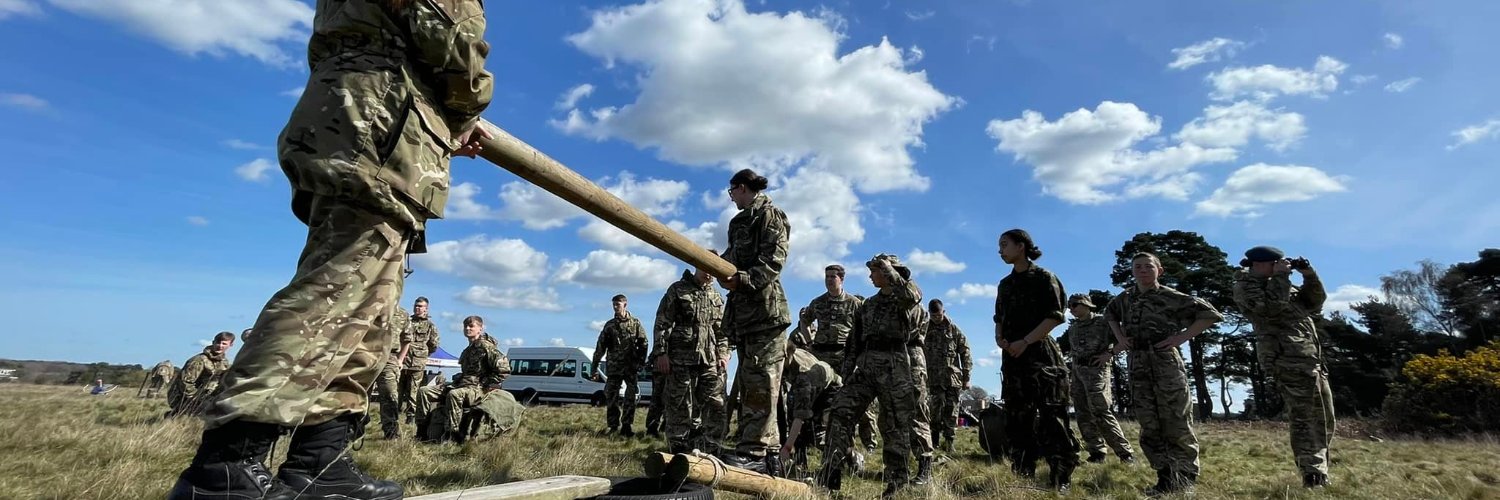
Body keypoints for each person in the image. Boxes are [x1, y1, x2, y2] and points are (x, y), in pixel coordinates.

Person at [168, 0, 494, 495]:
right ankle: (228, 465)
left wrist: (447, 120)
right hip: (380, 124)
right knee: (337, 289)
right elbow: (455, 41)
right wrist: (466, 109)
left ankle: (319, 463)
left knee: (368, 312)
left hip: (367, 116)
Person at [1106, 252, 1223, 496]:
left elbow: (1210, 315)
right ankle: (1165, 476)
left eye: (1148, 266)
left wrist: (1180, 337)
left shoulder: (1171, 296)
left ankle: (1185, 478)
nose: (1142, 271)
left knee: (1176, 420)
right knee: (1149, 423)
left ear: (1160, 270)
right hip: (1137, 362)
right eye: (1137, 267)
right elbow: (1110, 314)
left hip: (1165, 361)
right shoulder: (1126, 298)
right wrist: (1119, 338)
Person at [819, 254, 927, 497]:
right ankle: (831, 473)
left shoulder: (905, 299)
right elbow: (854, 341)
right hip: (866, 367)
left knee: (894, 425)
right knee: (840, 411)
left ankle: (896, 483)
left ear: (888, 272)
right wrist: (846, 374)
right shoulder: (867, 304)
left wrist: (889, 269)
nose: (870, 276)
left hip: (895, 367)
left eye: (875, 271)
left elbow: (913, 296)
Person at [1233, 246, 1335, 488]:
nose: (1283, 266)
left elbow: (1315, 302)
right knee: (1304, 418)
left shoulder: (1282, 284)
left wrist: (1309, 275)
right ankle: (1313, 475)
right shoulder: (1246, 286)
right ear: (1258, 264)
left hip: (1310, 359)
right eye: (1276, 263)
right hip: (1286, 359)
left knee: (1325, 418)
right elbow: (1270, 310)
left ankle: (1320, 469)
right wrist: (1281, 277)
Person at [717, 168, 792, 475]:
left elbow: (774, 260)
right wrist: (717, 266)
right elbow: (731, 257)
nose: (731, 196)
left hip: (765, 313)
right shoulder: (738, 222)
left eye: (732, 191)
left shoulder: (770, 215)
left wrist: (742, 280)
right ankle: (770, 455)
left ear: (743, 187)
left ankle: (754, 451)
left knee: (761, 384)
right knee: (752, 383)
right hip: (745, 317)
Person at [994, 229, 1079, 492]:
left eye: (1004, 244)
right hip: (1013, 359)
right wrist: (1001, 339)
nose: (1000, 250)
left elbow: (1055, 316)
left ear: (1021, 246)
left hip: (1041, 357)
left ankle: (1060, 478)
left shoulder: (1044, 277)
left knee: (1053, 417)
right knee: (1018, 418)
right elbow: (999, 318)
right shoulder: (1005, 284)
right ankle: (1022, 476)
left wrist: (1026, 341)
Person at [792, 265, 879, 451]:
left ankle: (868, 444)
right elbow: (804, 321)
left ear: (841, 279)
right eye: (827, 276)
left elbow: (864, 330)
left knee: (854, 401)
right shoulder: (818, 302)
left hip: (845, 356)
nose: (829, 279)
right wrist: (808, 343)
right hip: (821, 356)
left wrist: (859, 356)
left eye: (833, 276)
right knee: (819, 401)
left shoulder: (854, 303)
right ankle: (820, 442)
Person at [653, 266, 730, 453]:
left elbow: (722, 331)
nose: (709, 272)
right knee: (679, 403)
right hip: (681, 357)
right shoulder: (678, 289)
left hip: (709, 358)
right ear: (696, 267)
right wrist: (661, 353)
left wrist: (724, 353)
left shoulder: (717, 297)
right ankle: (678, 449)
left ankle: (710, 446)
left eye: (713, 268)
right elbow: (663, 322)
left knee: (715, 402)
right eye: (705, 267)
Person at [415, 315, 512, 444]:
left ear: (480, 329)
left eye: (471, 326)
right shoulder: (467, 350)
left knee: (454, 395)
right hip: (462, 385)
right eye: (465, 326)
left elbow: (504, 369)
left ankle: (452, 435)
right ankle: (422, 431)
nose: (467, 328)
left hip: (477, 389)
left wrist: (486, 384)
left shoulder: (486, 347)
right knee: (424, 391)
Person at [1062, 294, 1135, 464]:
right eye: (1069, 306)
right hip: (1078, 373)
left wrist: (1109, 354)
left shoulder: (1103, 323)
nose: (1071, 309)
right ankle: (1096, 451)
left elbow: (1125, 338)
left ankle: (1125, 453)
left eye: (1075, 305)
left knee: (1101, 412)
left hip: (1097, 372)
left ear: (1087, 305)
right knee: (1082, 413)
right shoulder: (1073, 328)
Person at [778, 345, 841, 478]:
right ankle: (800, 462)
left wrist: (786, 448)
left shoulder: (803, 377)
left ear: (786, 357)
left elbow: (800, 417)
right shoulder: (791, 356)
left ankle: (848, 456)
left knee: (817, 434)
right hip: (818, 386)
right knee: (795, 415)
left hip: (830, 391)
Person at [592, 294, 649, 437]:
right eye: (614, 305)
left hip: (630, 367)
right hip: (614, 368)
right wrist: (594, 366)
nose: (615, 307)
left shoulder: (635, 323)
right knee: (611, 397)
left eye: (618, 304)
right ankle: (613, 426)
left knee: (630, 398)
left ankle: (627, 426)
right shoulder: (610, 325)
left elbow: (644, 343)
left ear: (625, 305)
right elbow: (600, 347)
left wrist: (640, 362)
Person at [924, 299, 972, 453]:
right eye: (934, 316)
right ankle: (935, 441)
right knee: (934, 411)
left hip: (952, 379)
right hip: (932, 379)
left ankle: (950, 444)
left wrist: (966, 377)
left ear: (943, 312)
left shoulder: (953, 330)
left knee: (952, 411)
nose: (937, 318)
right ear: (929, 314)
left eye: (939, 315)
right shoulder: (924, 329)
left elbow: (965, 353)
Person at [167, 331, 234, 418]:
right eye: (218, 342)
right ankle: (177, 415)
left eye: (224, 344)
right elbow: (185, 382)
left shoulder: (224, 363)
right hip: (184, 397)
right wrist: (198, 401)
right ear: (213, 342)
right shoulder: (199, 360)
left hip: (207, 397)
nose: (220, 346)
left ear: (230, 345)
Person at [400, 298, 441, 423]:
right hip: (402, 361)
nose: (417, 308)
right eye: (416, 305)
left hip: (417, 363)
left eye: (420, 306)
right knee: (397, 390)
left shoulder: (430, 326)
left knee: (413, 390)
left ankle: (410, 417)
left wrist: (422, 353)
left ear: (426, 308)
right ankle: (392, 415)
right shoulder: (407, 322)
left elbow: (434, 344)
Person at [375, 305, 412, 438]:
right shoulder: (371, 307)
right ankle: (354, 430)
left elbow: (407, 339)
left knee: (390, 394)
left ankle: (391, 432)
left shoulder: (402, 313)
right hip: (367, 356)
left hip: (390, 357)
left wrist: (400, 360)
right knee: (360, 394)